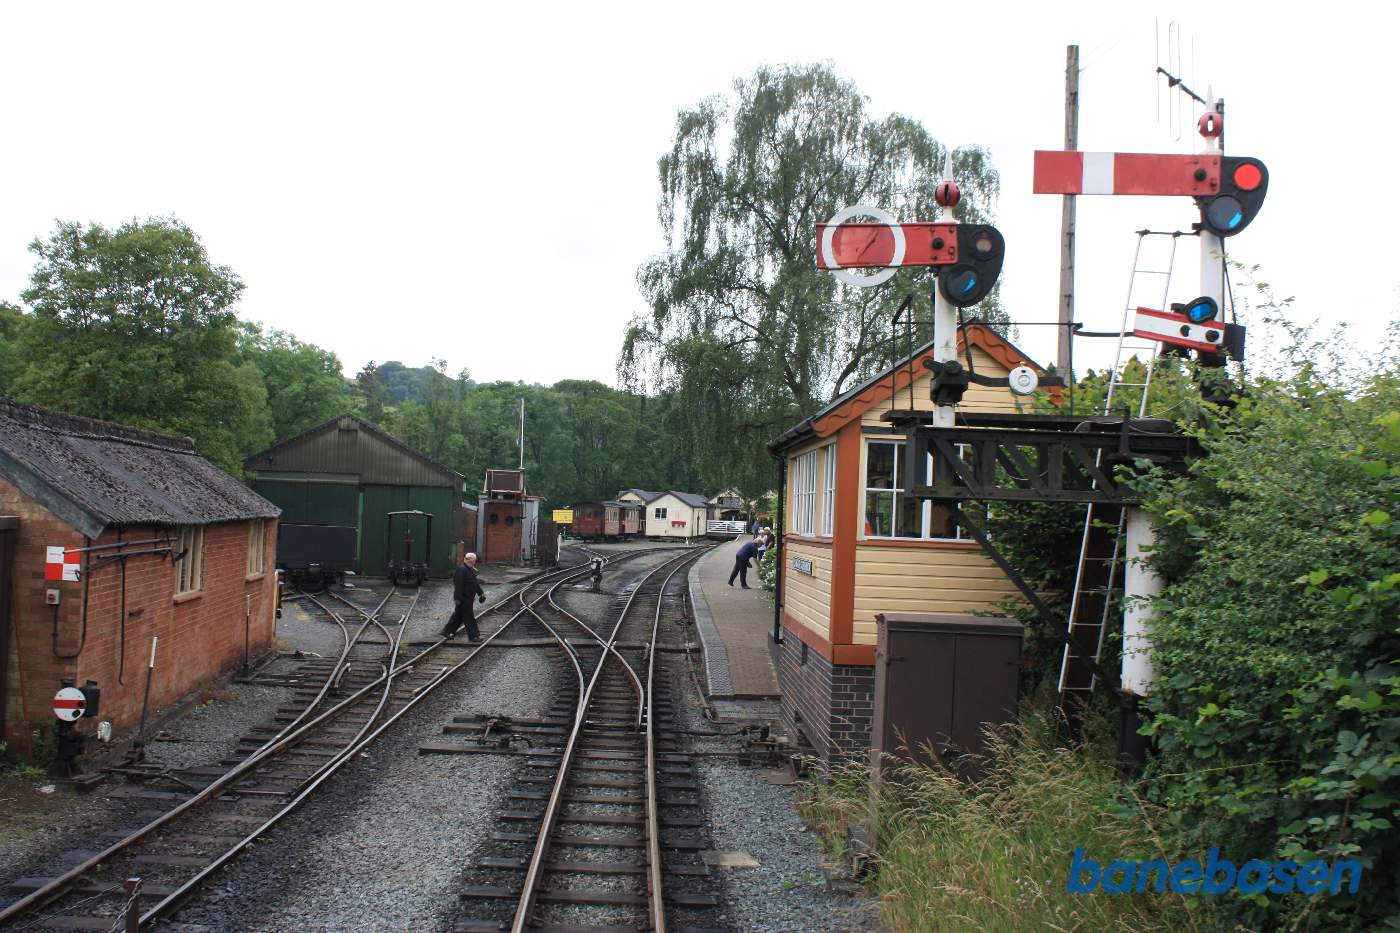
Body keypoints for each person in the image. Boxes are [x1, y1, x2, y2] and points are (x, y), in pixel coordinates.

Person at [440, 552, 487, 641]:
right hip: (463, 599)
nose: (474, 562)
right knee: (469, 618)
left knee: (458, 617)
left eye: (474, 561)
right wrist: (458, 599)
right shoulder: (461, 570)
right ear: (468, 560)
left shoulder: (470, 570)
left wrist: (481, 593)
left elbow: (475, 583)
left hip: (469, 599)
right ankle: (474, 636)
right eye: (473, 561)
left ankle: (446, 631)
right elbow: (458, 585)